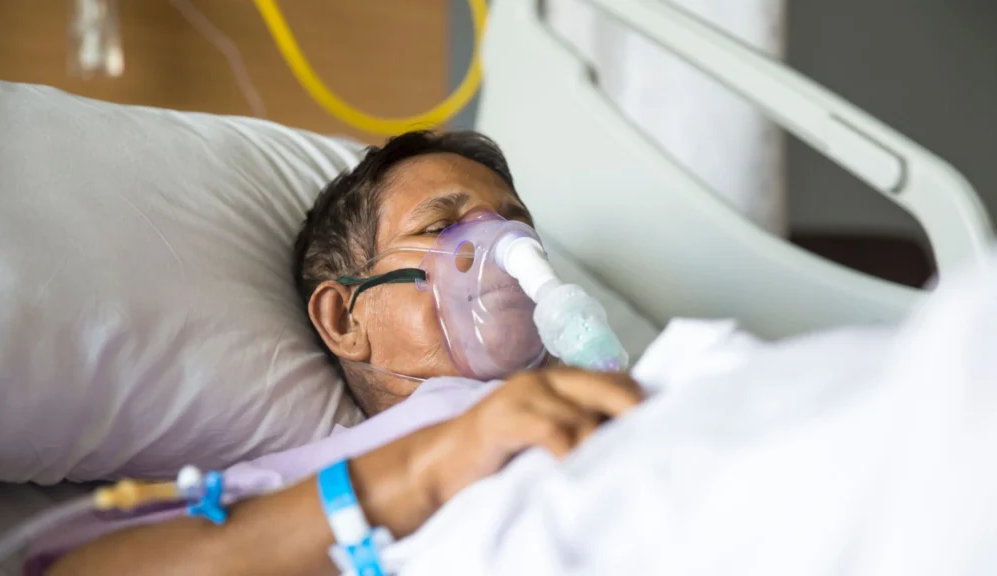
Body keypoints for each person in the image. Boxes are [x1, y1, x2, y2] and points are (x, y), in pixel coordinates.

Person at [44, 131, 643, 576]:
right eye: (439, 227)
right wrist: (428, 469)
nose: (505, 247)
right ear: (345, 319)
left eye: (516, 225)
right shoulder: (325, 475)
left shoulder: (617, 383)